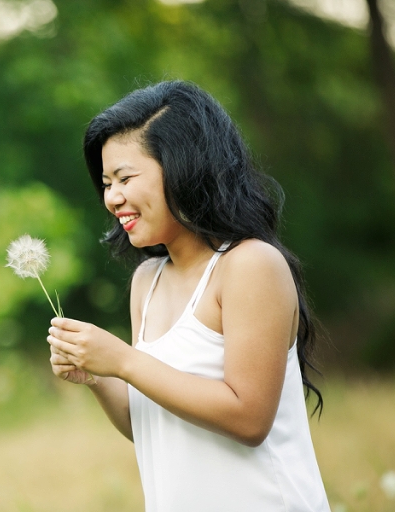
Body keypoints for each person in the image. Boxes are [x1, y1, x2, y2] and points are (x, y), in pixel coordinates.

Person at [46, 81, 331, 512]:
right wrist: (98, 376)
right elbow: (151, 425)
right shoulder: (147, 280)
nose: (112, 197)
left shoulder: (250, 265)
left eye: (125, 177)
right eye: (106, 182)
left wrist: (122, 360)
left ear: (184, 167)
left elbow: (250, 417)